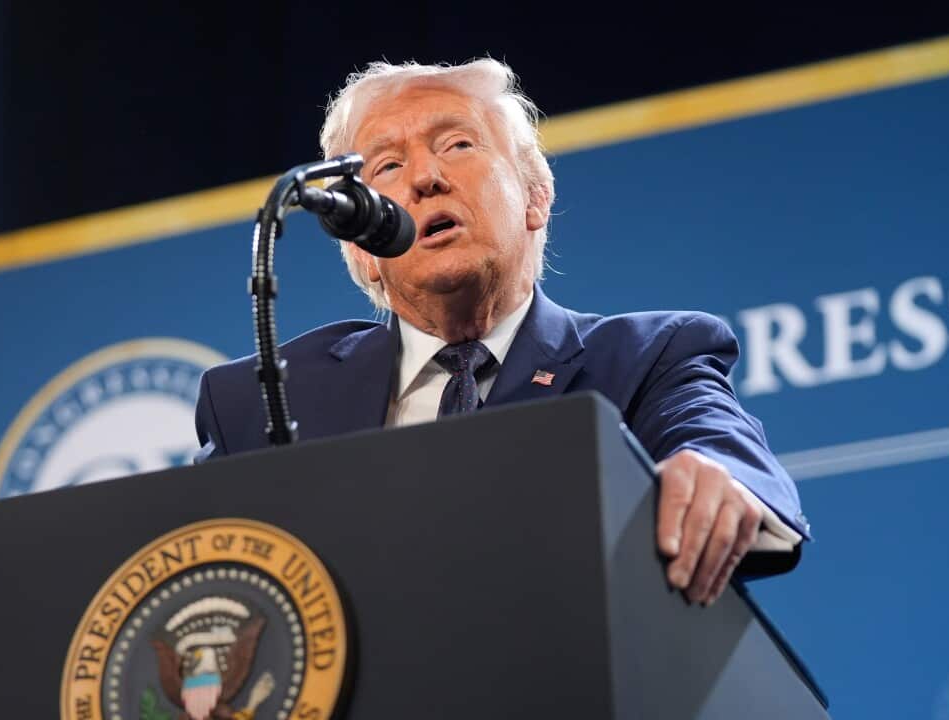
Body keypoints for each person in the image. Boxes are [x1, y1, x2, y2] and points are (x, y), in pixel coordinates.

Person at [193, 59, 809, 606]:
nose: (426, 178)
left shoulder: (646, 358)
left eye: (458, 144)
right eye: (387, 164)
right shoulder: (261, 399)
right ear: (361, 247)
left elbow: (717, 445)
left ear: (535, 197)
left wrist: (716, 477)